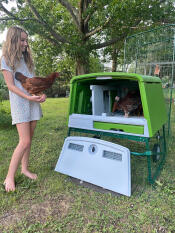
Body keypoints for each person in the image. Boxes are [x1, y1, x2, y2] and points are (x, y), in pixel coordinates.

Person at [0, 26, 46, 192]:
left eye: (26, 40)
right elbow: (11, 86)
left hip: (33, 100)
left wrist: (40, 94)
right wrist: (27, 97)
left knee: (30, 138)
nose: (26, 43)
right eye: (22, 40)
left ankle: (25, 169)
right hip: (20, 102)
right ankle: (8, 177)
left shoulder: (27, 59)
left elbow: (32, 82)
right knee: (24, 140)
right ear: (13, 40)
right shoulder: (5, 59)